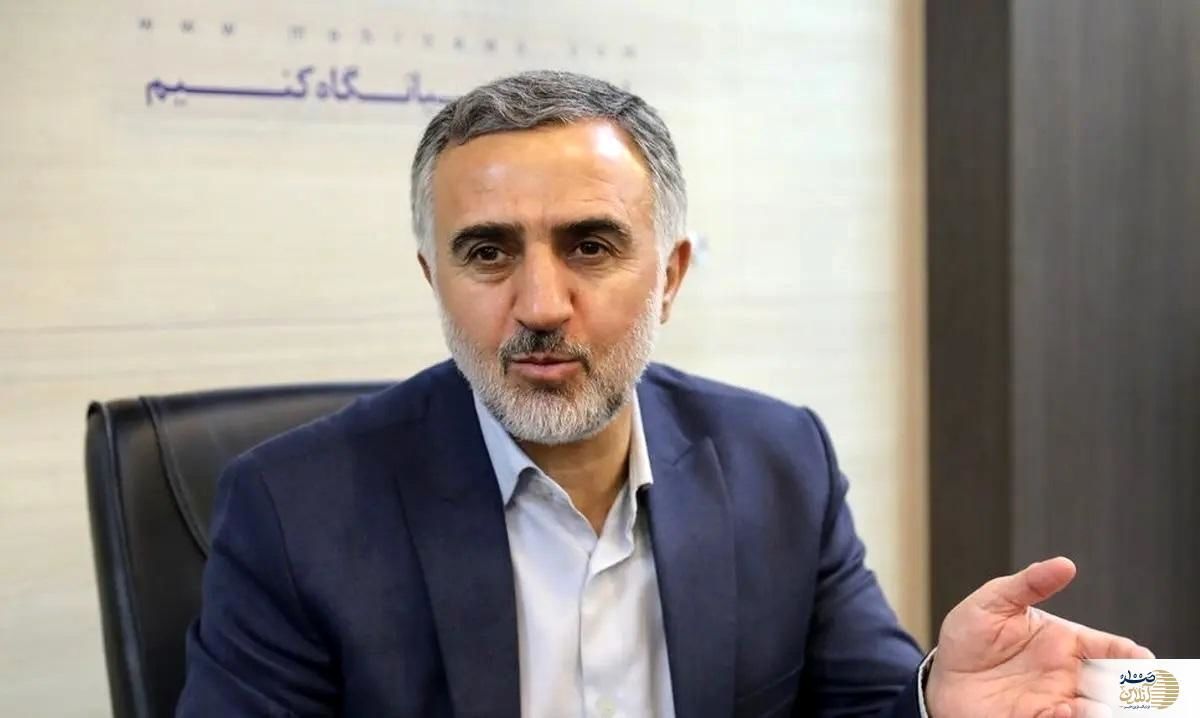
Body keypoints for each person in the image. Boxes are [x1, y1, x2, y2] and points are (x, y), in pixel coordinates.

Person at [178, 70, 1150, 717]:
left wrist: (938, 702)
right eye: (488, 253)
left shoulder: (781, 462)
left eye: (590, 245)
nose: (541, 304)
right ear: (436, 280)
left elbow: (864, 706)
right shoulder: (293, 510)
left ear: (671, 276)